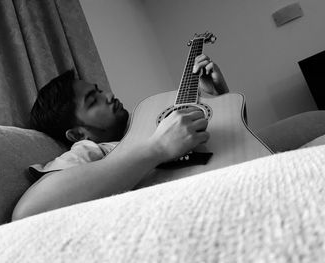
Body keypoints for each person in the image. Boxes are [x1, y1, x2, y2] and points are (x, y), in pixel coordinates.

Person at [12, 54, 229, 220]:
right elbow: (29, 211)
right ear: (78, 134)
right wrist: (158, 148)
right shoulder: (89, 149)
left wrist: (215, 97)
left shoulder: (144, 122)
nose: (108, 95)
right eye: (93, 101)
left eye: (99, 91)